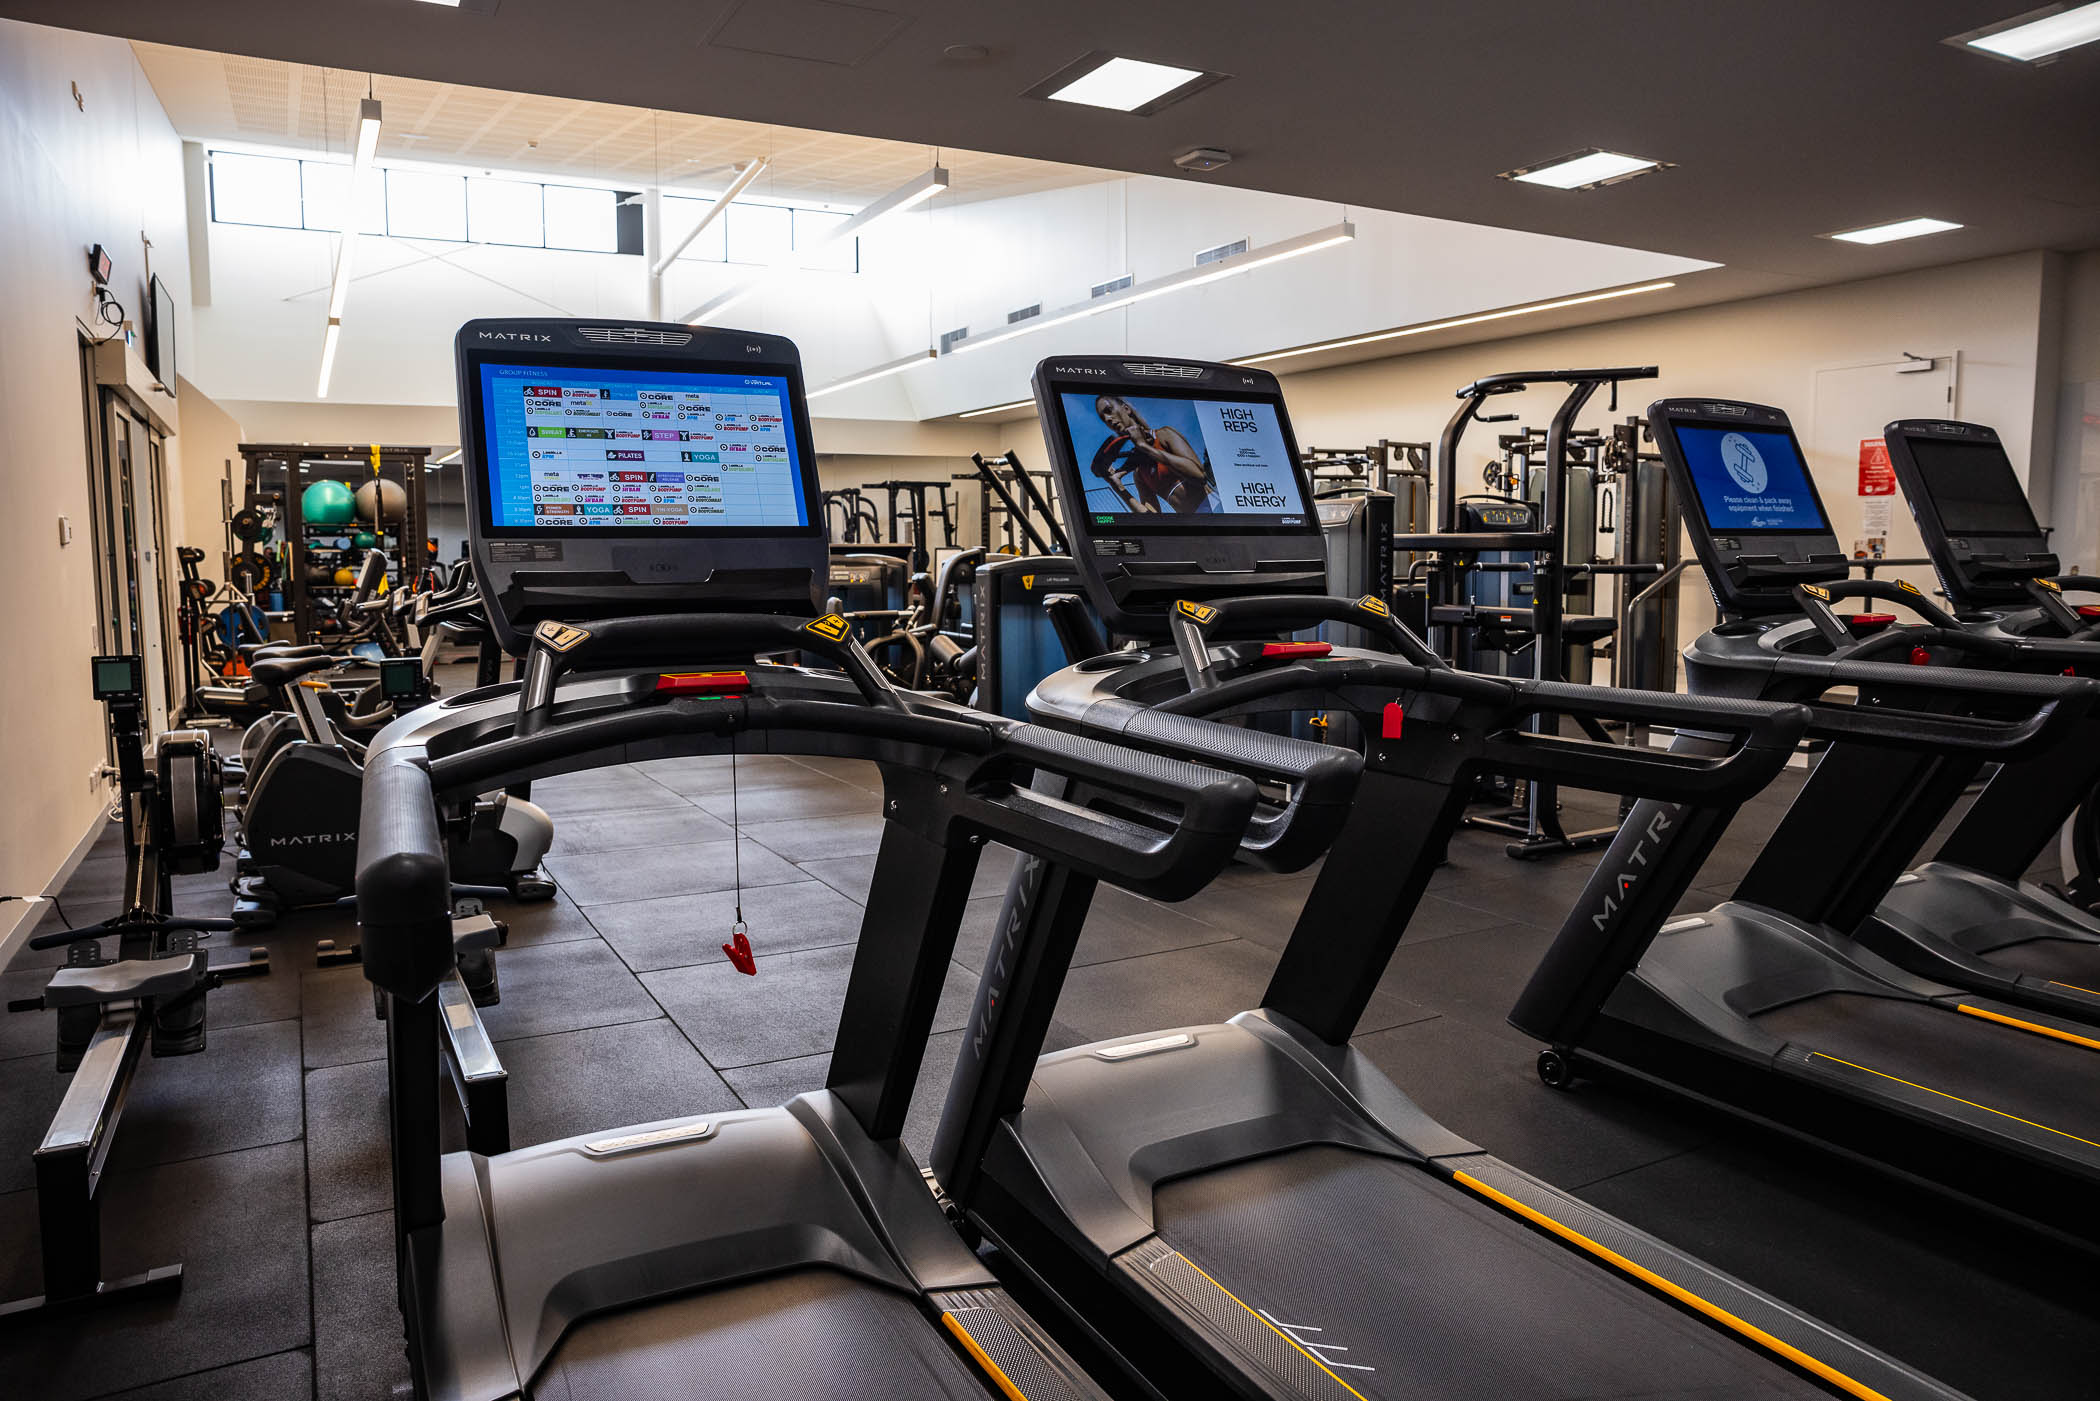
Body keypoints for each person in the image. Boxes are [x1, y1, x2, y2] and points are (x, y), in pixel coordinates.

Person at [1089, 396, 1216, 513]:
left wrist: (1145, 447)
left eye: (1109, 410)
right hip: (1195, 525)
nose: (1107, 419)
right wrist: (1117, 487)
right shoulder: (1139, 473)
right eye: (1103, 418)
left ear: (1126, 409)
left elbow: (1199, 476)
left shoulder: (1164, 435)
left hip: (1215, 509)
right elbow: (1152, 518)